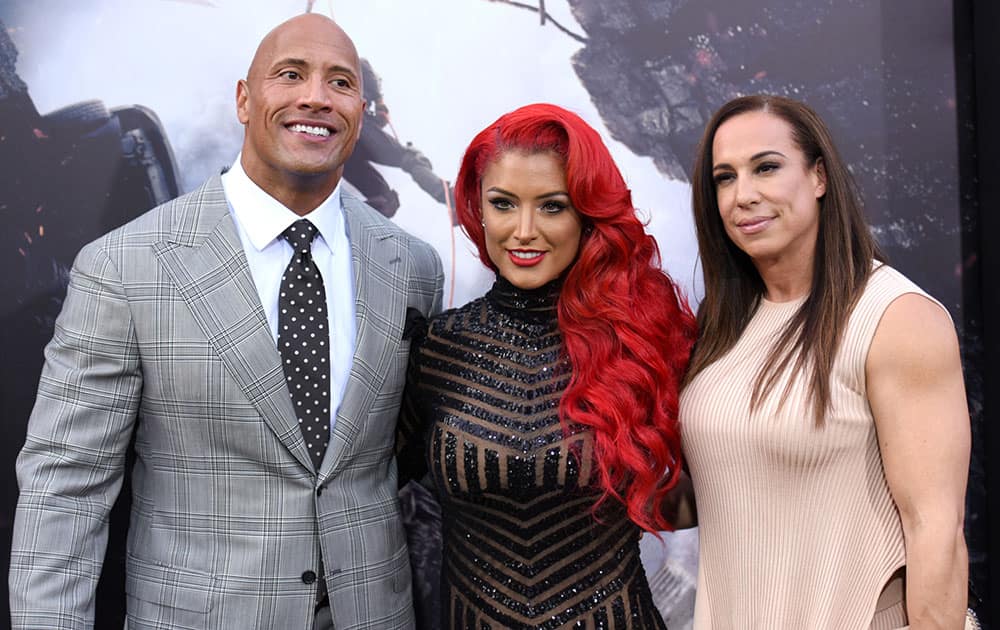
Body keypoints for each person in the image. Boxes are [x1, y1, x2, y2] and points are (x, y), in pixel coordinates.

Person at [9, 13, 442, 630]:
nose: (315, 96)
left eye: (339, 82)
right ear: (244, 98)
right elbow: (65, 489)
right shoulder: (124, 265)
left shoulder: (414, 269)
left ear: (360, 107)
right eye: (290, 74)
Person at [397, 103, 697, 628]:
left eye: (553, 206)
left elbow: (715, 493)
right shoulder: (435, 348)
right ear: (478, 209)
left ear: (588, 214)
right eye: (504, 204)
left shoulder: (642, 339)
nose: (524, 230)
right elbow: (366, 487)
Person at [679, 94, 970, 629]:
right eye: (724, 177)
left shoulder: (895, 317)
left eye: (766, 167)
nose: (743, 195)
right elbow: (710, 497)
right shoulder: (721, 324)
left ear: (819, 177)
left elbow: (936, 529)